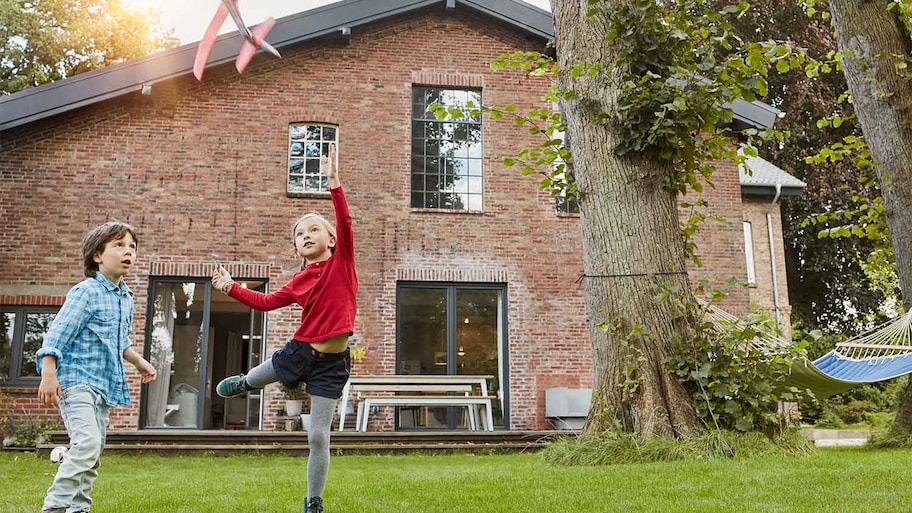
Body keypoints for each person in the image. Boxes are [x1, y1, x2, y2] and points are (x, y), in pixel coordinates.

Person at [212, 143, 356, 513]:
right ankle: (245, 382)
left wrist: (334, 181)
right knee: (267, 371)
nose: (306, 235)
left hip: (333, 364)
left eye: (313, 230)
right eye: (299, 234)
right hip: (301, 350)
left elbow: (345, 220)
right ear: (296, 248)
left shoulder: (343, 263)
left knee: (319, 437)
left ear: (332, 240)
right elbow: (265, 303)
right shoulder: (298, 282)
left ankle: (313, 501)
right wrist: (232, 287)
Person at [36, 221, 157, 513]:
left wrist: (140, 362)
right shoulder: (86, 292)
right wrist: (48, 374)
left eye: (132, 247)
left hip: (103, 386)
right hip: (76, 382)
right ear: (97, 256)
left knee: (93, 452)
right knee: (88, 443)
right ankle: (55, 505)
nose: (128, 252)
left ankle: (79, 508)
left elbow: (120, 341)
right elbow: (56, 334)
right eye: (119, 245)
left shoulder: (125, 298)